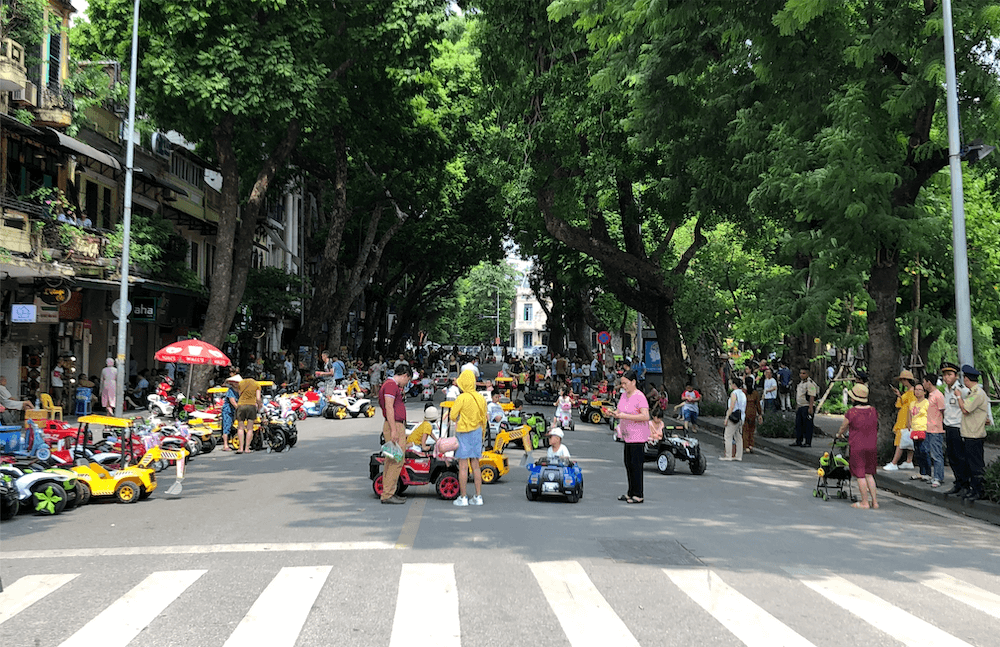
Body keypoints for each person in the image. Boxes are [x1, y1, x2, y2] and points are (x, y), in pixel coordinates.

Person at [836, 384, 879, 509]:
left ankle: (864, 502)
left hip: (857, 446)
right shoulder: (873, 410)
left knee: (860, 475)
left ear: (854, 398)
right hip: (872, 446)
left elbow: (843, 427)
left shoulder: (852, 412)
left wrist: (839, 434)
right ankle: (875, 502)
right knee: (869, 474)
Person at [611, 369, 650, 504]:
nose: (623, 386)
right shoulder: (623, 396)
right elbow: (620, 410)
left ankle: (638, 494)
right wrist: (614, 413)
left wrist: (624, 416)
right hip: (627, 435)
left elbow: (645, 416)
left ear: (633, 382)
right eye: (622, 384)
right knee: (628, 464)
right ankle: (630, 492)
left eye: (625, 383)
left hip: (638, 436)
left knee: (636, 465)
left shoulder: (639, 396)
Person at [451, 368, 486, 506]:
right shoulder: (480, 397)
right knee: (476, 466)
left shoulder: (461, 398)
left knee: (463, 466)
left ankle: (463, 497)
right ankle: (478, 496)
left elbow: (453, 416)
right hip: (477, 432)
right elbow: (484, 416)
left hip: (464, 433)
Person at [954, 365, 989, 501]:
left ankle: (979, 491)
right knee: (970, 464)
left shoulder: (977, 393)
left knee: (976, 465)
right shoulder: (973, 393)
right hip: (969, 434)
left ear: (967, 379)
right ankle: (974, 489)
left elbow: (965, 409)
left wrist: (958, 397)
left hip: (975, 435)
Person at [378, 364, 411, 504]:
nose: (406, 383)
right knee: (397, 460)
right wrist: (393, 430)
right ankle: (388, 494)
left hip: (395, 424)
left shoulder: (390, 385)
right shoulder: (391, 385)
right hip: (395, 425)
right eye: (407, 380)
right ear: (404, 375)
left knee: (392, 460)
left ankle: (388, 491)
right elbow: (389, 407)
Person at [940, 363, 971, 496]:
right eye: (945, 375)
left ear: (956, 376)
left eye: (949, 375)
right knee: (952, 457)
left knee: (960, 457)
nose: (946, 378)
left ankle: (965, 484)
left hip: (959, 427)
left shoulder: (962, 390)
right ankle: (957, 482)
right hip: (948, 426)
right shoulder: (946, 390)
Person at [884, 369, 917, 470]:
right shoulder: (909, 392)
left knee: (900, 441)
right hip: (904, 417)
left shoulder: (911, 393)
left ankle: (894, 463)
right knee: (908, 440)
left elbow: (911, 407)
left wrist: (909, 421)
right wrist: (899, 395)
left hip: (906, 419)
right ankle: (909, 460)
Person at [921, 373, 946, 488]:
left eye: (924, 382)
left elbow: (943, 411)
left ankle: (938, 477)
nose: (923, 384)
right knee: (931, 453)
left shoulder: (938, 395)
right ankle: (935, 475)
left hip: (936, 429)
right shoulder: (930, 395)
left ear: (929, 382)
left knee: (937, 454)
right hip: (929, 428)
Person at [905, 383, 930, 482]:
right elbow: (910, 414)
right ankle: (921, 471)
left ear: (924, 391)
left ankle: (927, 473)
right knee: (917, 452)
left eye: (920, 389)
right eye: (916, 389)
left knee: (924, 451)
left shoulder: (927, 403)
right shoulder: (912, 403)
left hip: (923, 429)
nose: (917, 391)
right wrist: (909, 423)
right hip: (914, 429)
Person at [789, 367, 817, 447]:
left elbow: (812, 396)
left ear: (808, 374)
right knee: (799, 425)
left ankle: (808, 442)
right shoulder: (800, 383)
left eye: (804, 373)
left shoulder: (810, 384)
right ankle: (799, 441)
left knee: (808, 425)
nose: (801, 375)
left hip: (807, 406)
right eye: (800, 373)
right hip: (800, 406)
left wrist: (810, 407)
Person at [235, 373, 261, 454]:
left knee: (240, 428)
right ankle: (247, 448)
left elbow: (239, 394)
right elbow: (258, 398)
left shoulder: (240, 383)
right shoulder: (256, 384)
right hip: (251, 406)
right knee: (250, 428)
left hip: (241, 405)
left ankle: (240, 448)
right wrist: (259, 406)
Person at [723, 377, 747, 461]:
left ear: (734, 385)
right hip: (741, 417)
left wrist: (726, 417)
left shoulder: (734, 393)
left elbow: (732, 406)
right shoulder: (743, 394)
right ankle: (738, 455)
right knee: (739, 437)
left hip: (733, 417)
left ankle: (728, 455)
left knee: (728, 436)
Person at [220, 371, 241, 451]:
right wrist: (238, 407)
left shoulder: (239, 390)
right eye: (235, 382)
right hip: (228, 410)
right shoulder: (230, 391)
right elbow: (232, 401)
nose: (236, 384)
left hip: (236, 411)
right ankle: (225, 445)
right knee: (227, 426)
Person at [742, 380, 762, 454]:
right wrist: (760, 414)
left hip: (745, 412)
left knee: (745, 430)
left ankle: (746, 446)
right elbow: (758, 405)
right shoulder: (755, 393)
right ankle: (751, 445)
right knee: (751, 430)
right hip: (753, 413)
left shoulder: (744, 393)